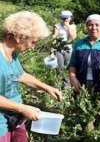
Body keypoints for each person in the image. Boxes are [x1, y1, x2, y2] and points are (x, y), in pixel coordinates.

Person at [0, 11, 62, 142]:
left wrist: (46, 88)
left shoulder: (12, 54)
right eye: (33, 42)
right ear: (19, 37)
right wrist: (22, 108)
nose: (33, 47)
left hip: (15, 117)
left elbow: (20, 75)